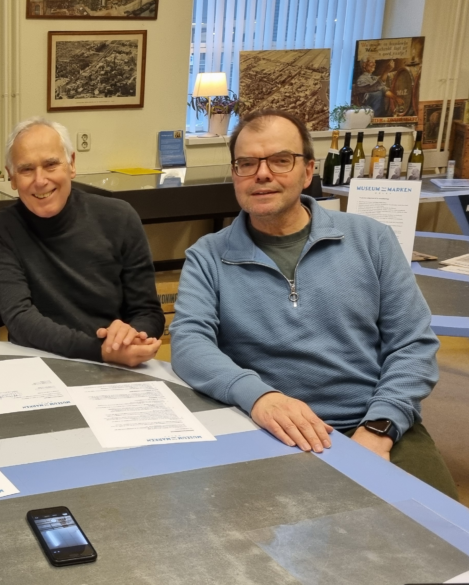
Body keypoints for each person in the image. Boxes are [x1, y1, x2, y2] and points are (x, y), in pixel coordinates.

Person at [170, 109, 458, 499]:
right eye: (247, 163)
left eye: (280, 160)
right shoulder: (207, 256)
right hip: (262, 423)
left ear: (308, 171)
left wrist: (381, 425)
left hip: (372, 421)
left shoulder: (372, 240)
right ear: (235, 175)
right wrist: (259, 397)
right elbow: (189, 344)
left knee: (437, 529)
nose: (262, 174)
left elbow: (413, 344)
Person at [0, 118, 164, 365]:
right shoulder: (3, 228)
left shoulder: (119, 217)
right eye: (26, 169)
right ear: (12, 177)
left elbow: (148, 312)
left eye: (51, 165)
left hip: (115, 361)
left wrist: (130, 337)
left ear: (71, 164)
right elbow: (19, 317)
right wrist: (99, 351)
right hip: (39, 361)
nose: (40, 180)